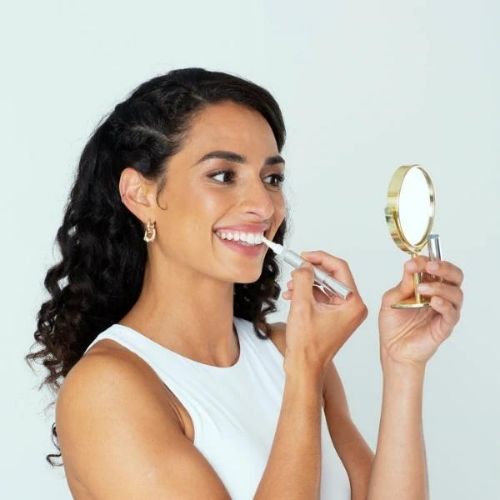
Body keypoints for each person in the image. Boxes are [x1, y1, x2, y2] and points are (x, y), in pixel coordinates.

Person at [25, 68, 464, 499]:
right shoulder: (107, 390)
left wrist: (403, 364)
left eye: (272, 179)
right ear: (141, 195)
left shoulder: (286, 350)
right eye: (223, 175)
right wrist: (304, 373)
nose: (264, 206)